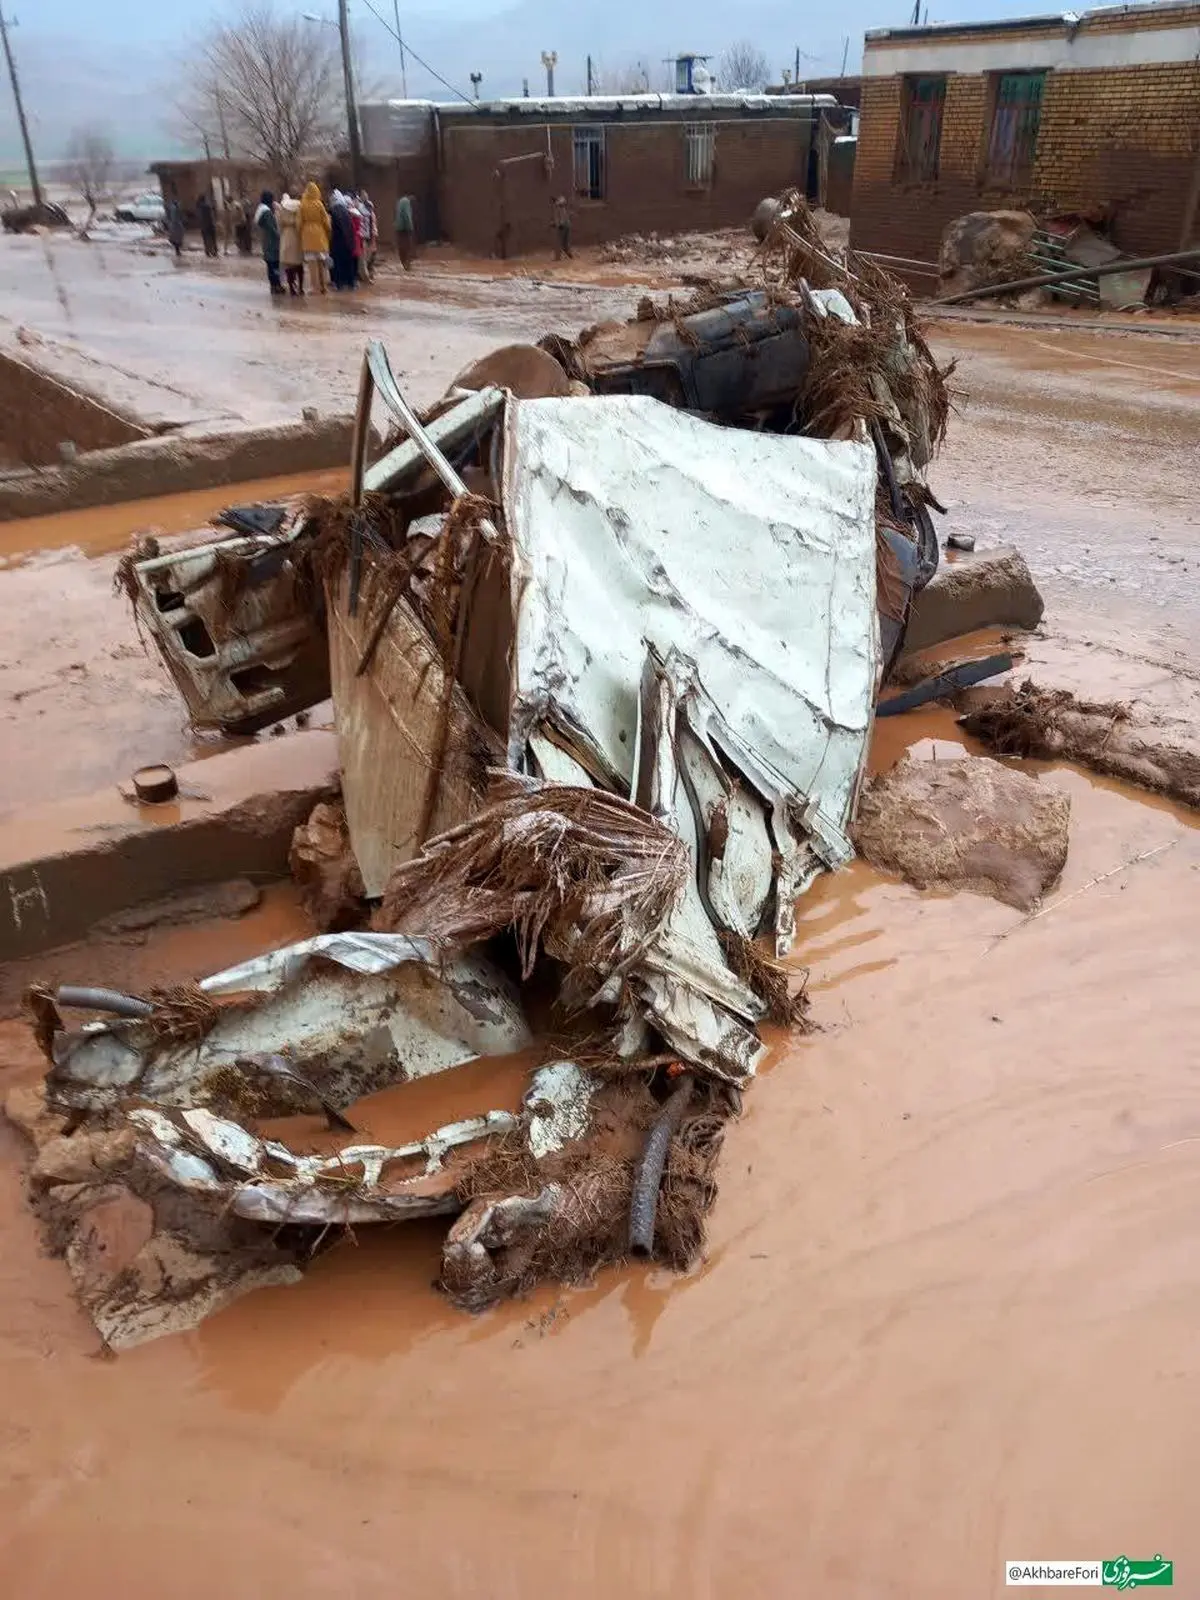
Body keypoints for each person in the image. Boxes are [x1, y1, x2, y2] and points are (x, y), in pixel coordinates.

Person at [299, 181, 330, 294]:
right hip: (320, 234)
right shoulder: (319, 204)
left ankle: (315, 288)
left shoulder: (303, 204)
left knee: (312, 264)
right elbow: (326, 221)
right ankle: (324, 286)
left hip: (307, 236)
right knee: (322, 262)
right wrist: (327, 232)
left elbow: (299, 222)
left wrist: (300, 233)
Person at [254, 189, 284, 295]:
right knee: (275, 265)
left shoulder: (261, 210)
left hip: (266, 242)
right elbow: (273, 228)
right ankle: (277, 285)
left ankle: (273, 285)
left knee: (270, 266)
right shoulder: (267, 212)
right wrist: (280, 237)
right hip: (272, 243)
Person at [328, 190, 356, 290]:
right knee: (348, 263)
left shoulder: (332, 211)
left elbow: (330, 228)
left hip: (337, 242)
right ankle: (351, 283)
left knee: (338, 264)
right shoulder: (346, 210)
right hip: (348, 241)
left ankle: (339, 284)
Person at [278, 192, 304, 295]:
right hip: (297, 237)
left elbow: (279, 224)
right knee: (299, 263)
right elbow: (299, 223)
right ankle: (301, 287)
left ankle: (292, 287)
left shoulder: (282, 209)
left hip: (286, 236)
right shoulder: (298, 208)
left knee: (288, 265)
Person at [357, 188, 378, 281]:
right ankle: (365, 275)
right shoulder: (359, 207)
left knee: (372, 254)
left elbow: (372, 221)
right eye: (363, 194)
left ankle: (370, 273)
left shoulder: (369, 205)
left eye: (366, 194)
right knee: (365, 256)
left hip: (371, 234)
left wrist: (374, 233)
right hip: (364, 235)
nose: (365, 196)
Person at [394, 191, 415, 270]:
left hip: (399, 227)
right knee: (407, 246)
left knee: (401, 246)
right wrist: (410, 226)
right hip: (405, 227)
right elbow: (407, 215)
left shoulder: (399, 201)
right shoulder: (406, 202)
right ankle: (407, 264)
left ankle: (404, 262)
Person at [196, 191, 218, 258]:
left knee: (206, 239)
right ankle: (214, 251)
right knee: (212, 239)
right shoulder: (206, 206)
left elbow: (199, 216)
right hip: (209, 224)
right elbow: (211, 215)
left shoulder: (198, 207)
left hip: (203, 225)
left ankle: (208, 251)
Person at [552, 194, 572, 261]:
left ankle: (558, 257)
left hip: (563, 227)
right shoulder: (562, 209)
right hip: (566, 226)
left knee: (559, 242)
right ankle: (568, 253)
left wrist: (559, 225)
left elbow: (561, 220)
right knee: (565, 242)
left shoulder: (560, 210)